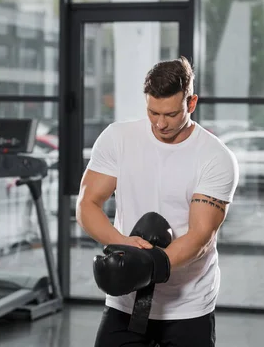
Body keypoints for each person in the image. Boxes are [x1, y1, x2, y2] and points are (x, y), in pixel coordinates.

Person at [75, 56, 239, 347]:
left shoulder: (215, 157)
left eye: (171, 114)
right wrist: (121, 243)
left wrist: (148, 265)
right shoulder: (118, 138)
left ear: (191, 103)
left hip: (187, 305)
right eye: (153, 112)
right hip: (124, 303)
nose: (160, 124)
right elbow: (87, 204)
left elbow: (201, 235)